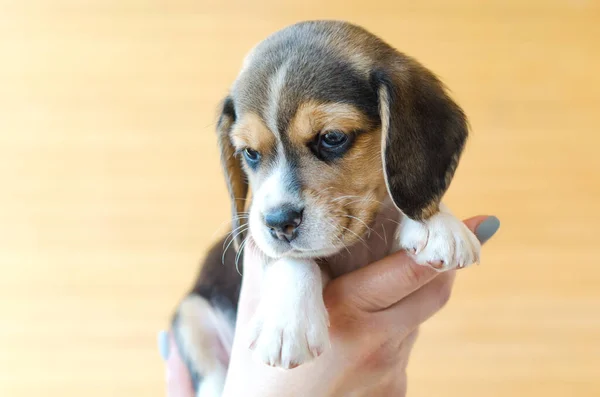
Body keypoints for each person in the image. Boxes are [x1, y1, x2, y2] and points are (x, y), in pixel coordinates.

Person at [158, 215, 500, 396]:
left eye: (333, 140)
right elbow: (281, 259)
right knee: (193, 318)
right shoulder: (280, 221)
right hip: (218, 320)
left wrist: (424, 215)